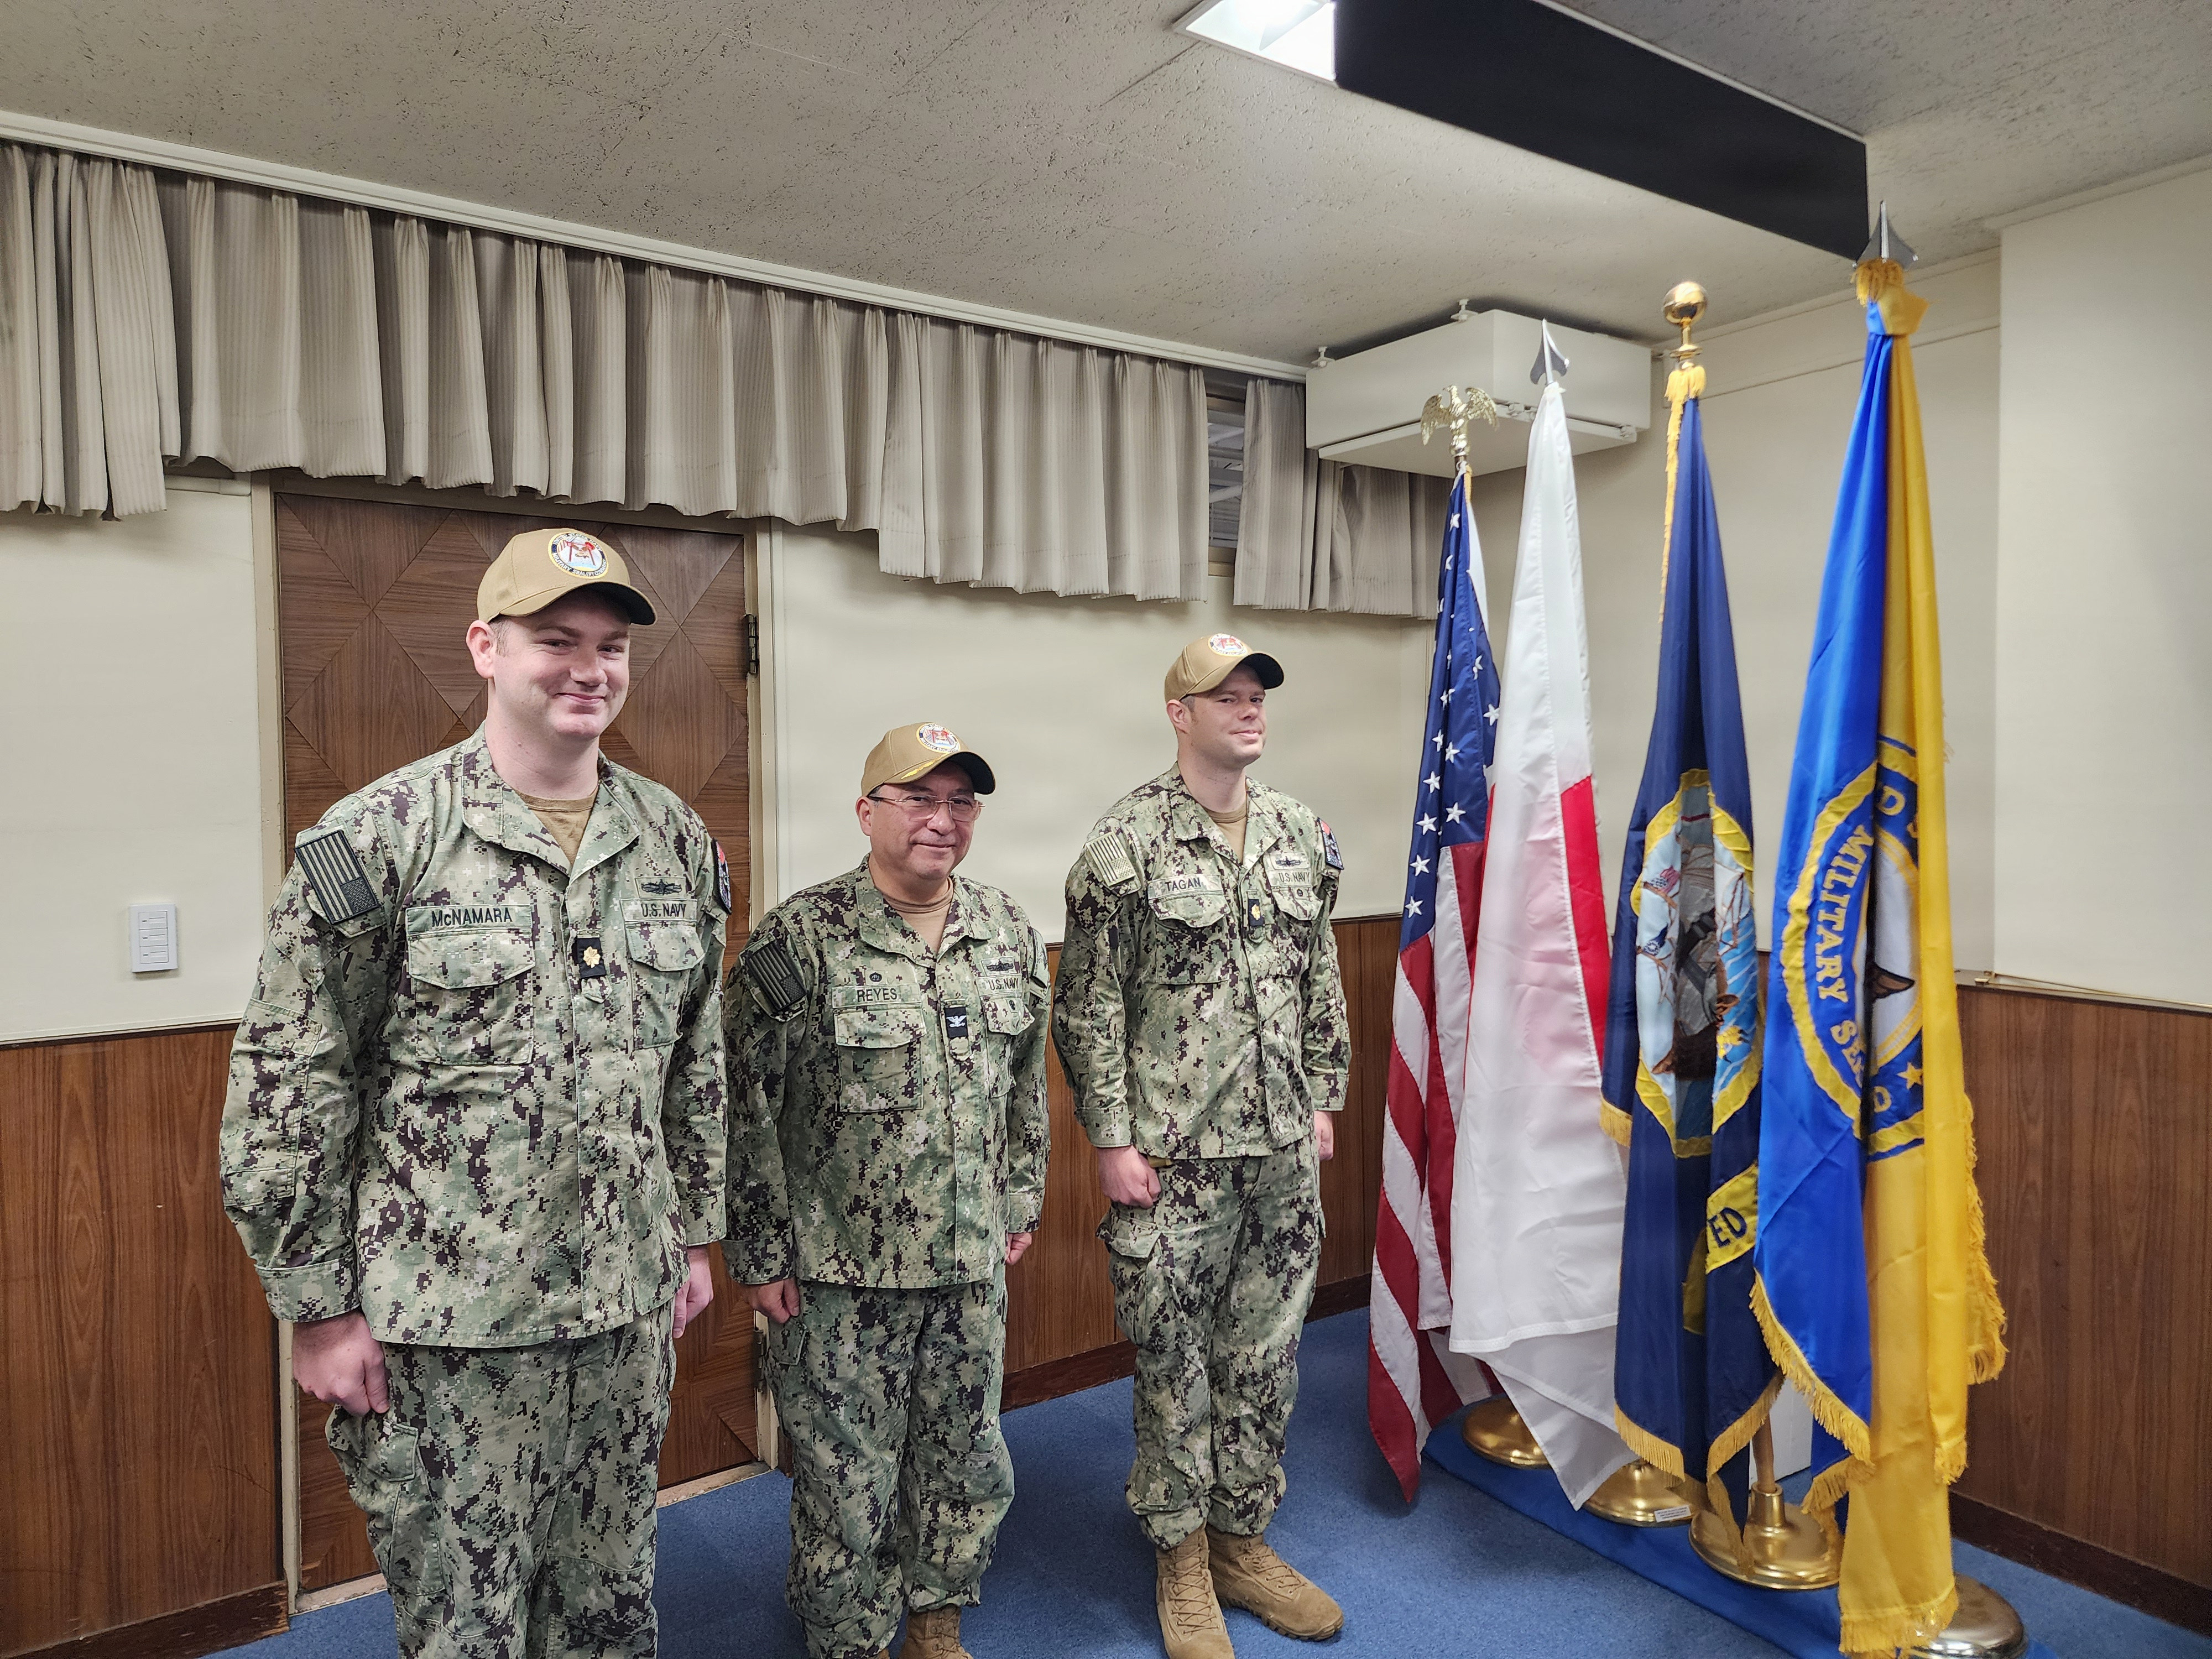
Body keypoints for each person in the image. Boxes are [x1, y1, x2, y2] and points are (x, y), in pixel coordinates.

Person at [220, 528, 729, 1658]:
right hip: (449, 1328)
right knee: (467, 1626)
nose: (587, 668)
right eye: (556, 640)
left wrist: (694, 1235)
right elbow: (291, 1080)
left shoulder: (675, 839)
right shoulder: (379, 838)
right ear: (485, 649)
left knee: (609, 1606)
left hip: (622, 1311)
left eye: (609, 646)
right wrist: (316, 1305)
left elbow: (695, 1059)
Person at [725, 723, 1050, 1659]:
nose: (941, 821)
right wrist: (758, 1253)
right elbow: (746, 1103)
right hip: (838, 1276)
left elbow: (1023, 1087)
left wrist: (1019, 1205)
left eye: (960, 802)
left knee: (965, 1454)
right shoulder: (803, 939)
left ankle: (937, 1618)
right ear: (867, 812)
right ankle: (850, 1636)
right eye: (918, 799)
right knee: (844, 1476)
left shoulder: (1006, 932)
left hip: (967, 1263)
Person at [1053, 634, 1349, 1659]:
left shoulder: (1301, 833)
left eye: (1257, 691)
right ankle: (1180, 1556)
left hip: (1279, 1148)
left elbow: (1319, 977)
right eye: (1225, 695)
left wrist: (1323, 1094)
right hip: (1173, 1157)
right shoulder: (1124, 844)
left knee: (1265, 1355)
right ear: (1179, 714)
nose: (1249, 706)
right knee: (1174, 1355)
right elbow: (1087, 1005)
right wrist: (1112, 1137)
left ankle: (1241, 1537)